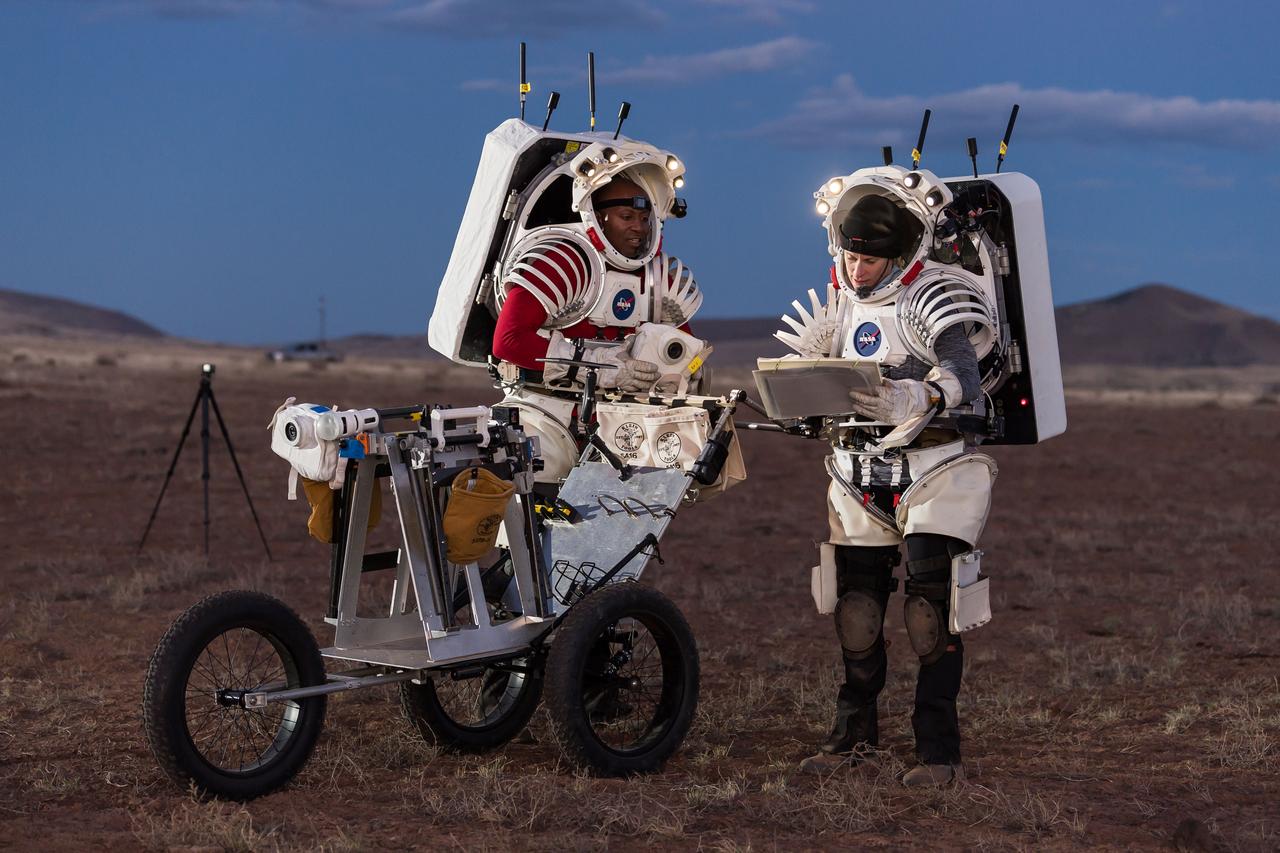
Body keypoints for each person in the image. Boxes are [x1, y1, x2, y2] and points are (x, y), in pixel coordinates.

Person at [787, 193, 988, 787]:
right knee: (856, 609)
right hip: (857, 469)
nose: (857, 269)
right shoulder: (841, 309)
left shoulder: (934, 296)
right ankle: (853, 738)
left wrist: (920, 394)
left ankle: (938, 754)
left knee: (931, 613)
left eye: (870, 260)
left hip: (935, 465)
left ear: (900, 255)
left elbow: (966, 377)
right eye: (850, 255)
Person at [492, 173, 700, 484]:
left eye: (645, 218)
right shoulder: (562, 263)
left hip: (623, 425)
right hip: (543, 412)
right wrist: (605, 369)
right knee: (523, 493)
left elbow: (686, 352)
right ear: (598, 218)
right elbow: (508, 341)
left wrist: (678, 380)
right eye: (626, 216)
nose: (638, 228)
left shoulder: (660, 281)